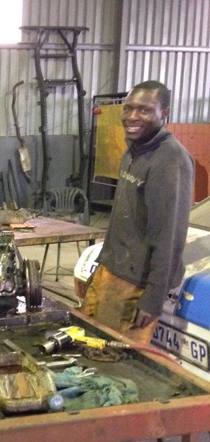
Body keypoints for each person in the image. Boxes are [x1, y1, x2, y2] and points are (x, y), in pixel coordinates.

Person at [81, 80, 194, 344]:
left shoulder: (170, 161)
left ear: (164, 113)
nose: (132, 116)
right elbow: (123, 220)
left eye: (144, 110)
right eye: (128, 108)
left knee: (116, 360)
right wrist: (101, 266)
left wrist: (152, 298)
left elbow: (169, 237)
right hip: (111, 271)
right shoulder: (134, 150)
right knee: (86, 345)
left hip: (136, 285)